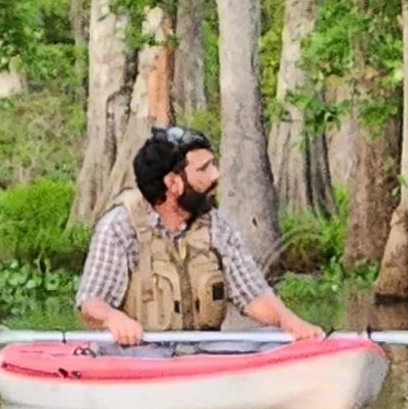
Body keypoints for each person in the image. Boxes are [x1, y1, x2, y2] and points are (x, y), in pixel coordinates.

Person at [77, 125, 324, 345]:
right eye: (204, 169)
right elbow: (91, 304)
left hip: (203, 353)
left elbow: (253, 295)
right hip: (142, 355)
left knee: (275, 337)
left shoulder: (216, 225)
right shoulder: (120, 227)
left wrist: (290, 322)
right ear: (173, 183)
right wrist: (113, 318)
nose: (216, 175)